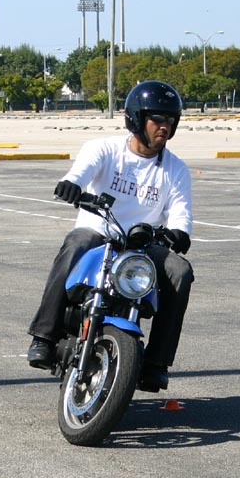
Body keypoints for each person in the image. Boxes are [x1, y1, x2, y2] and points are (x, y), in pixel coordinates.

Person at [26, 80, 194, 393]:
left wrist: (180, 232)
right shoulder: (104, 149)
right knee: (76, 243)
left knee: (180, 270)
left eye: (171, 120)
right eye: (157, 119)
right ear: (136, 119)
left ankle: (156, 363)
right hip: (99, 232)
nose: (164, 127)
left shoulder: (176, 169)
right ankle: (44, 336)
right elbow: (81, 171)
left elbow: (181, 211)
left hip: (143, 246)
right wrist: (72, 185)